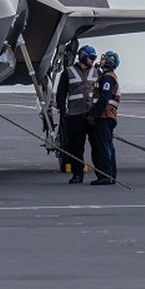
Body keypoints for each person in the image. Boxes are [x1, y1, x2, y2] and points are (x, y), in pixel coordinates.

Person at [55, 44, 99, 184]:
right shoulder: (68, 72)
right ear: (84, 56)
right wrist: (63, 113)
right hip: (75, 115)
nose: (93, 60)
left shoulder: (97, 72)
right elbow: (61, 94)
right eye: (91, 57)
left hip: (92, 115)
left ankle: (102, 174)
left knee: (97, 146)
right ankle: (77, 174)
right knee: (76, 147)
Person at [88, 50, 121, 185]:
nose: (100, 61)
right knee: (107, 145)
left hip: (104, 116)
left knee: (103, 146)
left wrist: (93, 115)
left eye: (103, 59)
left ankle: (105, 174)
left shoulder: (107, 79)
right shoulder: (106, 77)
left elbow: (103, 98)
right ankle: (110, 174)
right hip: (107, 116)